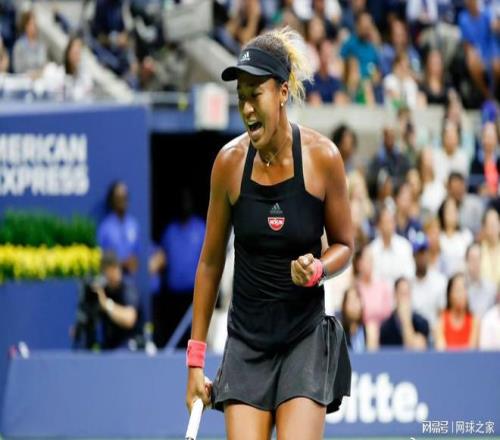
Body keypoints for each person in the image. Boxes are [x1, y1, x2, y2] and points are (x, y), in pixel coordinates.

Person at [185, 27, 353, 439]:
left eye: (255, 94)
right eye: (240, 96)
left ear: (281, 92)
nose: (246, 108)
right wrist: (195, 361)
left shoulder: (323, 158)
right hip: (247, 344)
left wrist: (317, 270)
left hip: (304, 339)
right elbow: (210, 263)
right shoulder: (228, 164)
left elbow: (345, 245)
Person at [149, 188, 206, 348]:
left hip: (194, 296)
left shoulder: (200, 228)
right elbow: (162, 259)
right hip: (172, 297)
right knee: (173, 337)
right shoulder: (170, 231)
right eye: (181, 201)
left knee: (194, 337)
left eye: (187, 201)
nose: (184, 205)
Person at [92, 251, 139, 349]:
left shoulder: (128, 288)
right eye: (110, 270)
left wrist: (107, 305)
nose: (115, 273)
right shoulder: (102, 290)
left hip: (128, 346)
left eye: (116, 268)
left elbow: (129, 319)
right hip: (106, 346)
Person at [97, 181, 140, 274]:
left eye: (125, 196)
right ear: (113, 200)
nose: (123, 200)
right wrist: (120, 263)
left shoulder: (133, 224)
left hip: (130, 279)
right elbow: (100, 258)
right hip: (111, 279)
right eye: (119, 197)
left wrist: (133, 262)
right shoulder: (105, 227)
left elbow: (136, 255)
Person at [368, 204, 416, 285]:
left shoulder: (404, 246)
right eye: (386, 222)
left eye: (391, 221)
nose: (389, 225)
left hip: (400, 290)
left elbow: (410, 273)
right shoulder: (371, 250)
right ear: (379, 225)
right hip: (379, 291)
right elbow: (372, 277)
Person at [379, 277, 430, 349]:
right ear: (395, 295)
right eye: (402, 293)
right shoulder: (385, 327)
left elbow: (417, 349)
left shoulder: (422, 323)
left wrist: (406, 322)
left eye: (407, 293)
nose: (405, 298)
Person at [411, 233, 447, 330]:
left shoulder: (440, 281)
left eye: (424, 253)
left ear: (428, 254)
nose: (421, 257)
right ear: (413, 256)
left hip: (434, 332)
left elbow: (442, 314)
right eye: (418, 254)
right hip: (414, 334)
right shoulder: (407, 284)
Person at [435, 273, 478, 350]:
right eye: (458, 290)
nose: (461, 294)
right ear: (449, 294)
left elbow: (472, 351)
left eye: (464, 289)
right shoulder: (442, 320)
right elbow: (441, 350)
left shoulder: (474, 320)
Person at [353, 245, 393, 329]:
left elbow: (388, 312)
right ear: (359, 263)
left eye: (371, 260)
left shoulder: (383, 285)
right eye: (366, 260)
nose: (370, 264)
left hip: (383, 329)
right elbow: (354, 313)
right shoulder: (354, 287)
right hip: (361, 329)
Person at [438, 197, 473, 277]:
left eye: (454, 210)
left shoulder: (466, 235)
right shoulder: (439, 237)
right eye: (449, 211)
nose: (452, 215)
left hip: (464, 277)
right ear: (442, 214)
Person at [340, 286, 378, 352]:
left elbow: (372, 356)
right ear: (344, 306)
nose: (354, 304)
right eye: (350, 300)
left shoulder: (369, 330)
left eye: (356, 300)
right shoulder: (339, 332)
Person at [465, 242, 496, 318]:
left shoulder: (491, 288)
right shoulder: (460, 288)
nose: (476, 263)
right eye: (472, 259)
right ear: (466, 261)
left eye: (478, 259)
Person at [12, 10, 47, 77]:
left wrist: (38, 73)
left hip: (39, 79)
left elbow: (43, 65)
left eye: (35, 24)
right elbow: (17, 69)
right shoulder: (19, 45)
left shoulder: (41, 44)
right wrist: (30, 74)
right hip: (23, 79)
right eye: (31, 24)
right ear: (25, 26)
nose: (34, 27)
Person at [480, 208, 500, 286]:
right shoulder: (478, 249)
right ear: (484, 228)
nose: (493, 227)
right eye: (490, 224)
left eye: (495, 223)